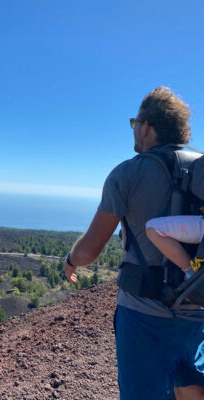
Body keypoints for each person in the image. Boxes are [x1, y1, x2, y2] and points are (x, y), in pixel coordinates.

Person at [64, 87, 204, 400]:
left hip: (143, 313)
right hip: (198, 307)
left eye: (134, 124)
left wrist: (71, 259)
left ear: (146, 126)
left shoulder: (128, 173)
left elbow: (90, 249)